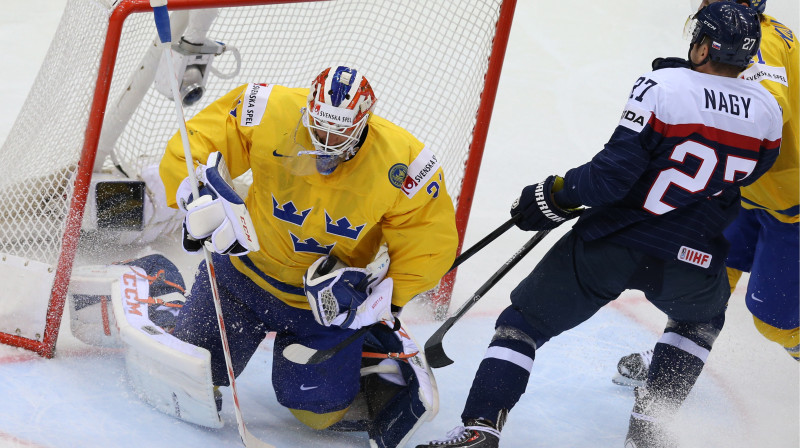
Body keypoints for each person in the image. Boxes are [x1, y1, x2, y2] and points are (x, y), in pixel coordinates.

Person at [415, 3, 781, 448]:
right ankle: (645, 438)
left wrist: (553, 194)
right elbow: (751, 172)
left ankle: (481, 429)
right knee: (698, 323)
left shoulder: (663, 85)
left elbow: (610, 177)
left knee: (523, 323)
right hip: (692, 252)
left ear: (705, 47)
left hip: (613, 242)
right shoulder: (768, 109)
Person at [159, 65, 459, 447]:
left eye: (339, 131)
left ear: (364, 121)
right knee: (192, 378)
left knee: (320, 412)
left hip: (322, 306)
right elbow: (198, 141)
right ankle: (161, 288)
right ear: (308, 110)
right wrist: (193, 189)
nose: (326, 140)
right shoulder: (266, 107)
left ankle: (370, 350)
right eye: (319, 127)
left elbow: (429, 242)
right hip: (241, 279)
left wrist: (386, 297)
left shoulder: (406, 163)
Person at [614, 0, 799, 389]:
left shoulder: (760, 39)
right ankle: (674, 363)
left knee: (775, 323)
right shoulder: (747, 30)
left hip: (790, 203)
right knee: (706, 281)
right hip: (750, 189)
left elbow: (769, 111)